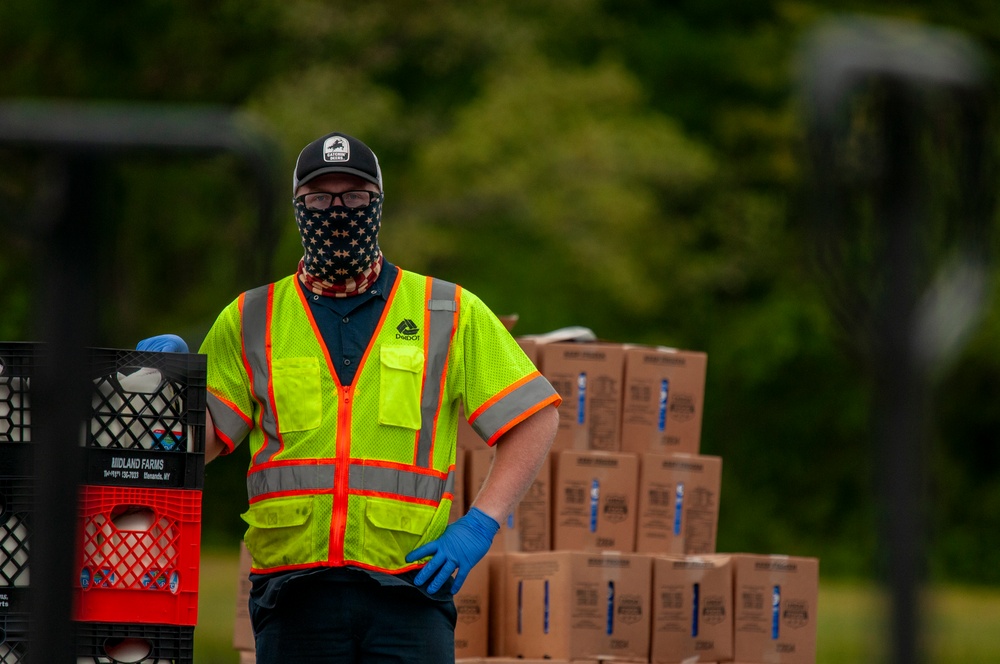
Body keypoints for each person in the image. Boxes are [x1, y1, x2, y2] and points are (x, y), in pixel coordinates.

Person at [138, 131, 560, 663]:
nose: (337, 212)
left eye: (355, 197)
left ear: (378, 204)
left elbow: (535, 417)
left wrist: (480, 524)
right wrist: (163, 393)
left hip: (410, 590)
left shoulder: (447, 311)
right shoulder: (250, 317)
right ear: (298, 209)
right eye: (319, 199)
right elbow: (202, 443)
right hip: (292, 595)